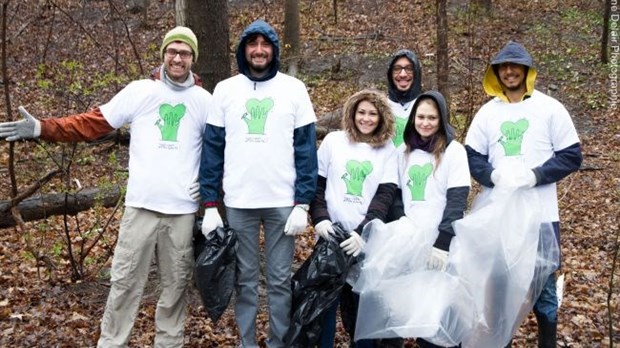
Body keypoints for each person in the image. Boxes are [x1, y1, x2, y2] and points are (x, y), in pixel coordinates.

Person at [0, 27, 211, 347]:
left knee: (176, 288)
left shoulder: (204, 102)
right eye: (172, 51)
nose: (177, 57)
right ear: (164, 54)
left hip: (181, 211)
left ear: (193, 58)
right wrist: (42, 128)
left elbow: (223, 149)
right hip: (141, 206)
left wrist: (209, 187)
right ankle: (112, 343)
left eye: (184, 52)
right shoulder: (141, 91)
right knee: (125, 283)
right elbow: (92, 123)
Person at [199, 19, 318, 348]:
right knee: (245, 281)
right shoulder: (225, 90)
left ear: (274, 49)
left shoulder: (294, 89)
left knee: (279, 281)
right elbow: (212, 150)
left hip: (283, 203)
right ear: (243, 50)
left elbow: (307, 150)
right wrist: (210, 205)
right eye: (252, 44)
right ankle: (247, 343)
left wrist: (303, 202)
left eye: (265, 44)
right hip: (239, 203)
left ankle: (279, 342)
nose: (259, 50)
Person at [464, 40, 582, 347]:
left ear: (527, 70)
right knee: (499, 288)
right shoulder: (488, 113)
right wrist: (491, 175)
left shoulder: (549, 108)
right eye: (503, 66)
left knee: (543, 288)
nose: (509, 71)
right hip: (499, 217)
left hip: (542, 215)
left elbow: (571, 155)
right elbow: (472, 156)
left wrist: (537, 175)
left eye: (515, 66)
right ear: (496, 73)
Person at [309, 89, 398, 348]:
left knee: (362, 309)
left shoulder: (387, 150)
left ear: (381, 118)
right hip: (330, 238)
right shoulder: (334, 142)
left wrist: (362, 232)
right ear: (352, 113)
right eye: (361, 112)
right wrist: (320, 219)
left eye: (373, 113)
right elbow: (317, 185)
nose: (366, 118)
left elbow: (385, 196)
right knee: (326, 306)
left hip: (365, 241)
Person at [396, 91, 471, 348]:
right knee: (421, 313)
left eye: (432, 118)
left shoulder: (454, 152)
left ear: (442, 120)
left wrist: (442, 244)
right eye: (420, 117)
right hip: (412, 241)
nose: (425, 123)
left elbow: (457, 201)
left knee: (443, 315)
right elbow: (397, 197)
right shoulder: (403, 152)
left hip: (443, 244)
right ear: (412, 119)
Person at [386, 49, 422, 148]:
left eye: (409, 68)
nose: (403, 74)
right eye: (397, 69)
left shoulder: (426, 106)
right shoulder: (380, 107)